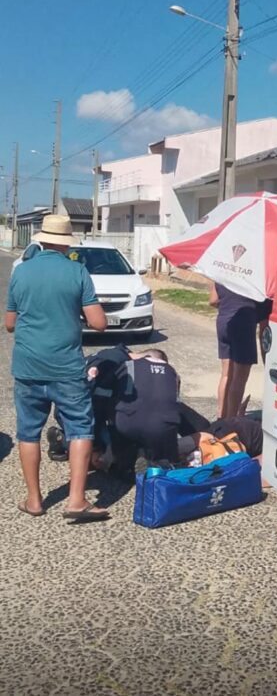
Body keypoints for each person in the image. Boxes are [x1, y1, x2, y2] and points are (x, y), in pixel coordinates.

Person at [5, 214, 109, 521]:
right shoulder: (78, 271)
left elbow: (10, 324)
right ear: (66, 244)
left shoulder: (21, 273)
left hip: (28, 366)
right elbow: (99, 323)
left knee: (28, 432)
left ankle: (34, 500)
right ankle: (76, 500)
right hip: (66, 367)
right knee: (79, 428)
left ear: (41, 238)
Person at [113, 349, 210, 470]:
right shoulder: (172, 374)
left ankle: (136, 458)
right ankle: (155, 460)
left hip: (127, 425)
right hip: (161, 429)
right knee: (199, 434)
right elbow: (174, 404)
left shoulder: (128, 366)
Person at [210, 281, 273, 419]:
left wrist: (229, 306)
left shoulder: (224, 270)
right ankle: (231, 420)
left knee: (226, 374)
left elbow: (213, 300)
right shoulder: (258, 279)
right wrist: (267, 361)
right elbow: (264, 329)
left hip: (224, 321)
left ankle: (221, 416)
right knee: (239, 377)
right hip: (243, 324)